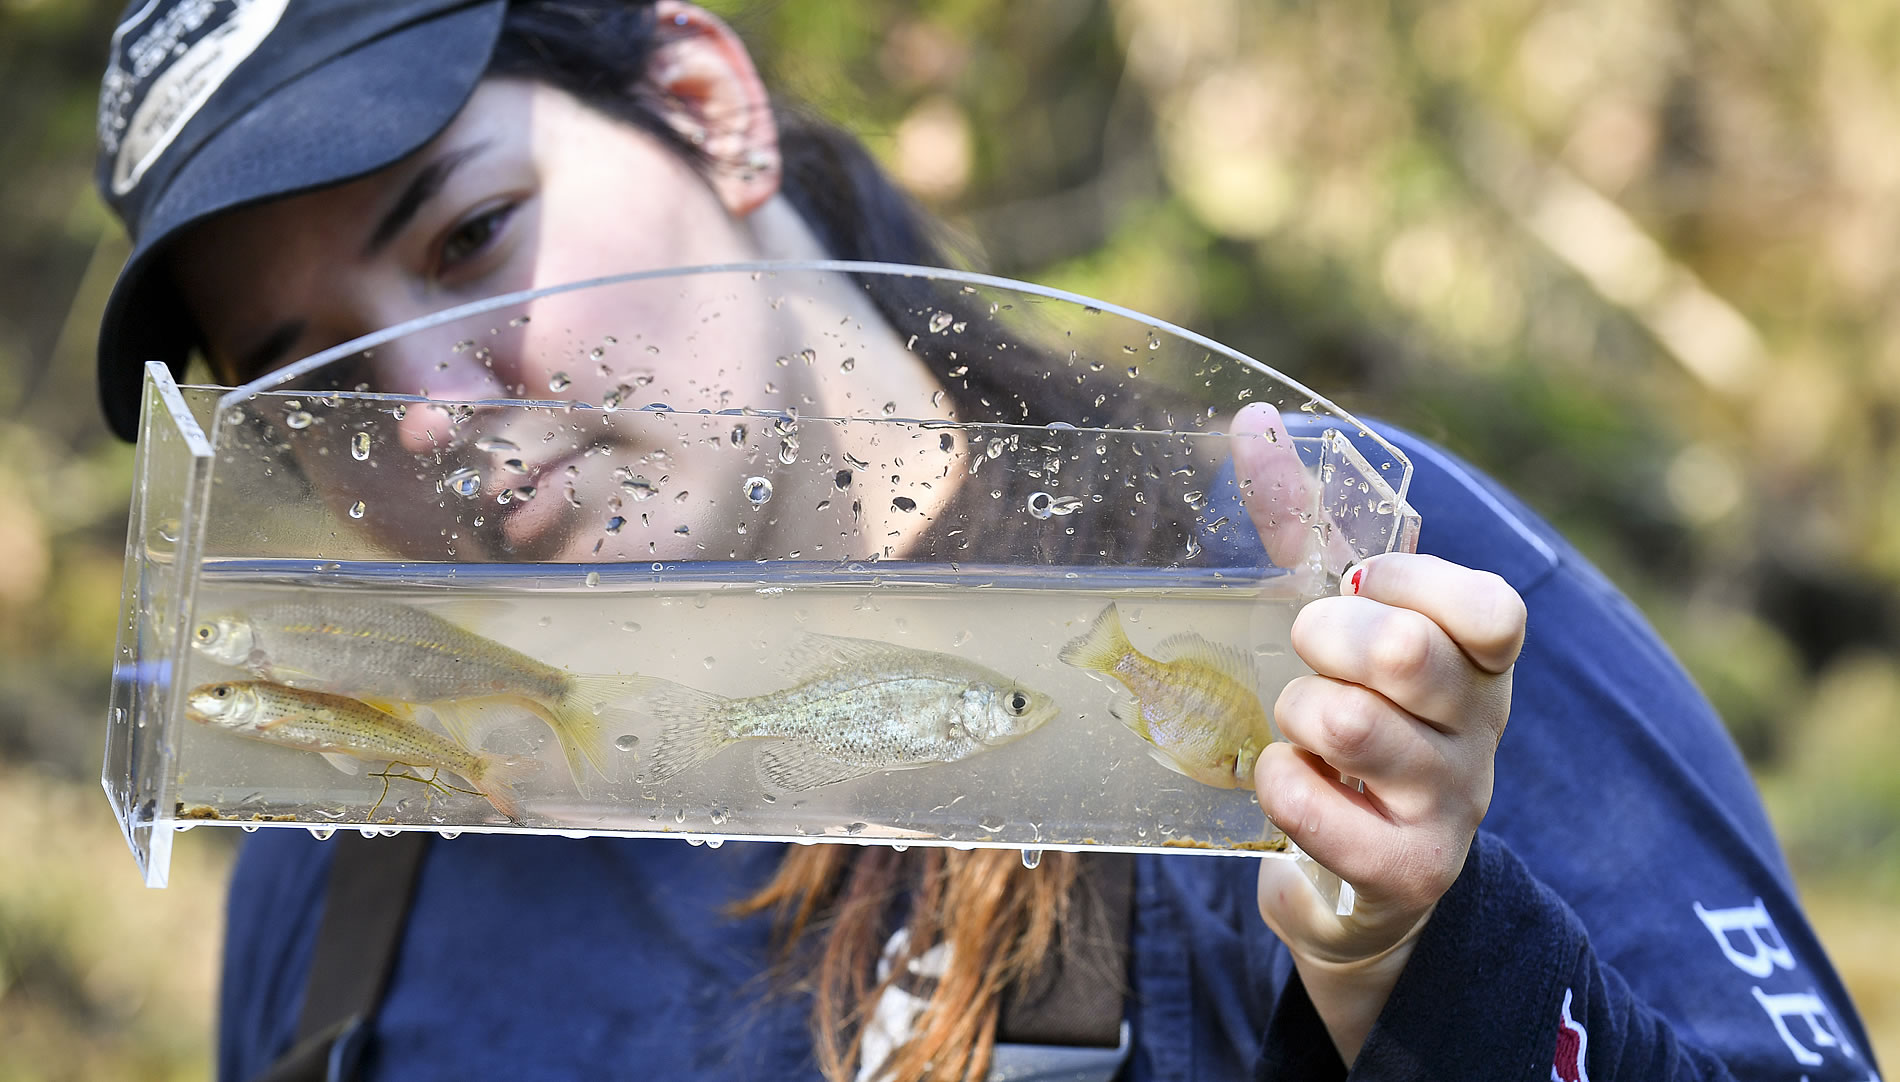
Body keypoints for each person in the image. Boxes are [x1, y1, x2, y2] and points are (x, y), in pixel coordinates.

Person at [91, 2, 1880, 1080]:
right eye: (300, 379)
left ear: (707, 102)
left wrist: (1425, 952)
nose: (422, 412)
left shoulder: (1312, 591)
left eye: (474, 236)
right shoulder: (347, 881)